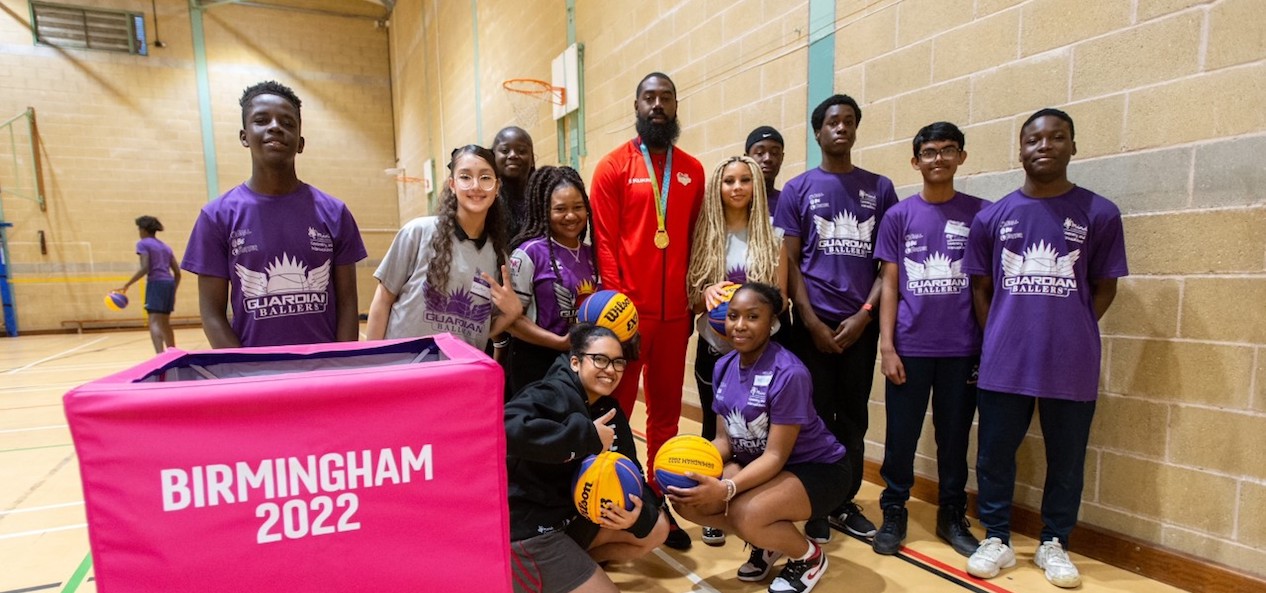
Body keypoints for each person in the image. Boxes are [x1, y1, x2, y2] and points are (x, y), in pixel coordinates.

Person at [962, 108, 1128, 589]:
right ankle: (996, 537)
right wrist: (1002, 335)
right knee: (994, 453)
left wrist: (1069, 328)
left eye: (1058, 138)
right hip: (1003, 361)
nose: (1045, 146)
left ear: (1073, 147)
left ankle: (1055, 541)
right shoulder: (993, 217)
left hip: (1071, 361)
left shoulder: (1101, 213)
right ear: (1020, 148)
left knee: (1067, 457)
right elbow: (981, 289)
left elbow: (1104, 287)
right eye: (1034, 139)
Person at [667, 283, 849, 593]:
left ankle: (808, 557)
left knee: (744, 513)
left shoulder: (789, 373)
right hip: (766, 466)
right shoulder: (723, 366)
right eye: (733, 316)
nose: (739, 325)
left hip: (818, 469)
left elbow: (776, 456)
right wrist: (686, 469)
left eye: (753, 317)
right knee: (689, 502)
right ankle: (769, 541)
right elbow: (726, 440)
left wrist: (726, 488)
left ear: (772, 323)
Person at [773, 94, 897, 542]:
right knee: (814, 418)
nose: (840, 128)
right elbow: (790, 260)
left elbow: (889, 265)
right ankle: (817, 505)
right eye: (832, 122)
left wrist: (864, 317)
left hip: (858, 328)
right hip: (813, 328)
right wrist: (810, 321)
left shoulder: (880, 188)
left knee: (854, 419)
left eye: (848, 121)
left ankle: (844, 500)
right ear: (818, 132)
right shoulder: (798, 189)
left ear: (856, 129)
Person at [589, 71, 705, 549]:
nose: (658, 105)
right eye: (649, 98)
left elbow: (700, 240)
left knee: (667, 417)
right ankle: (619, 500)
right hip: (629, 319)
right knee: (616, 411)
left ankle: (662, 503)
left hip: (676, 316)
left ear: (676, 106)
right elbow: (605, 242)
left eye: (666, 98)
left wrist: (696, 295)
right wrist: (621, 312)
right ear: (636, 105)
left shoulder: (693, 170)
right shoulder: (613, 166)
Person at [871, 122, 985, 557]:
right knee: (901, 435)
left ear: (961, 157)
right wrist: (887, 346)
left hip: (962, 350)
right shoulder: (898, 216)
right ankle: (894, 510)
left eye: (948, 150)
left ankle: (951, 514)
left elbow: (985, 286)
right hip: (910, 349)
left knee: (954, 438)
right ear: (916, 161)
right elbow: (891, 286)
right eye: (930, 152)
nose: (939, 158)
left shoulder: (981, 213)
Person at [182, 81, 367, 348]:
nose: (275, 127)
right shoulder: (217, 217)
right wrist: (243, 371)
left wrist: (341, 363)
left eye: (288, 123)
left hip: (324, 372)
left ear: (300, 143)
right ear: (244, 136)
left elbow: (348, 303)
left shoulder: (335, 213)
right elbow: (212, 314)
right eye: (261, 120)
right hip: (256, 376)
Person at [505, 324, 669, 593]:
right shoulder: (551, 393)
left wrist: (637, 516)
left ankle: (568, 574)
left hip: (567, 518)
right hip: (529, 530)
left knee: (656, 527)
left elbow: (632, 470)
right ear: (575, 362)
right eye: (600, 359)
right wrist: (585, 436)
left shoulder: (608, 408)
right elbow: (504, 428)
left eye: (618, 362)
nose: (611, 369)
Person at [685, 155, 786, 546]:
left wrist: (754, 300)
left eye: (746, 180)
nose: (738, 187)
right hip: (715, 348)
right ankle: (713, 504)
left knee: (760, 433)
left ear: (756, 187)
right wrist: (706, 292)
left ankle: (758, 506)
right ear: (718, 188)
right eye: (729, 181)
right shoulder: (706, 235)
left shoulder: (771, 237)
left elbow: (782, 301)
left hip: (759, 351)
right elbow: (692, 299)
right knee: (718, 430)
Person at [367, 145, 522, 350]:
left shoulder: (498, 257)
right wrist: (371, 360)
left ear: (497, 187)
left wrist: (512, 312)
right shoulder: (417, 232)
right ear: (452, 184)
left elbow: (480, 330)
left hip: (456, 374)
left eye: (485, 178)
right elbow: (382, 301)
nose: (475, 185)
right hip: (402, 369)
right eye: (465, 177)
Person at [506, 166, 601, 394]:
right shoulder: (528, 253)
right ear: (544, 211)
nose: (571, 216)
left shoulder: (593, 253)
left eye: (578, 207)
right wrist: (559, 342)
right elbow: (511, 320)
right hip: (535, 362)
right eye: (560, 209)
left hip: (580, 362)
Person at [116, 215, 180, 353]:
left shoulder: (143, 244)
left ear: (144, 230)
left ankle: (159, 356)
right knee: (164, 323)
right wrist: (173, 290)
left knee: (154, 321)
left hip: (156, 283)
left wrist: (127, 284)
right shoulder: (165, 247)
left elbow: (145, 267)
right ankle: (173, 354)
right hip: (169, 284)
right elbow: (177, 272)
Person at [493, 126, 537, 241]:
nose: (513, 155)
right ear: (493, 158)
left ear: (532, 160)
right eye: (505, 150)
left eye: (521, 151)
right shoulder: (487, 201)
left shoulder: (541, 200)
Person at [745, 126, 785, 216]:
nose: (768, 159)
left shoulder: (788, 202)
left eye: (774, 153)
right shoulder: (737, 200)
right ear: (747, 158)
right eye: (760, 153)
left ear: (782, 158)